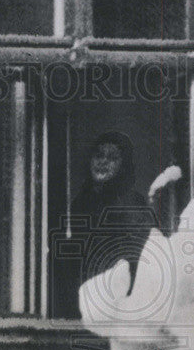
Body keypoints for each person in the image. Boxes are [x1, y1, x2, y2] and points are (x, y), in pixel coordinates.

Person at [50, 130, 153, 320]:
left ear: (123, 165)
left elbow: (137, 255)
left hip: (118, 295)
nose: (103, 162)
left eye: (112, 158)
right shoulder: (80, 202)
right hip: (84, 293)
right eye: (98, 155)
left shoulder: (132, 201)